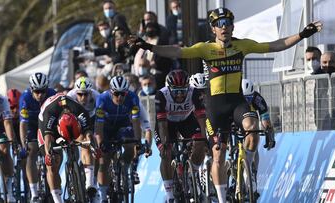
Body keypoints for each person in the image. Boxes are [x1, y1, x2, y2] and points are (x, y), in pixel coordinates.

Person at [128, 7, 322, 202]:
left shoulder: (242, 45)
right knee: (218, 155)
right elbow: (176, 51)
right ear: (213, 29)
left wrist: (302, 34)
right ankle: (221, 198)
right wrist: (148, 46)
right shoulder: (206, 48)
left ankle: (246, 173)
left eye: (228, 24)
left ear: (232, 27)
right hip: (215, 106)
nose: (224, 28)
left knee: (252, 130)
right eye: (220, 24)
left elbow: (274, 45)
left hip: (237, 102)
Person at [95, 76, 150, 202]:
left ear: (127, 92)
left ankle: (125, 169)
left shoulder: (132, 98)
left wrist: (137, 142)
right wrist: (100, 143)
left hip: (123, 126)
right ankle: (103, 197)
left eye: (123, 94)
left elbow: (136, 122)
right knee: (104, 161)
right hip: (106, 128)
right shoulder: (102, 99)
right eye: (116, 94)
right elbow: (98, 126)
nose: (120, 97)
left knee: (130, 146)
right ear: (111, 92)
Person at [154, 70, 206, 202]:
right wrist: (165, 143)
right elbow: (162, 125)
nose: (180, 95)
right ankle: (169, 193)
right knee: (165, 153)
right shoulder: (161, 95)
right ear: (169, 89)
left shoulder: (194, 92)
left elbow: (201, 116)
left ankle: (192, 173)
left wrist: (204, 137)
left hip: (186, 121)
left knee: (200, 142)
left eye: (183, 90)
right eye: (176, 91)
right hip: (167, 123)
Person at [37, 93, 95, 203]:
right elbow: (48, 138)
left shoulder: (80, 111)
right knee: (53, 164)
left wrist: (93, 147)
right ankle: (57, 199)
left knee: (83, 141)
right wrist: (49, 155)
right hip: (49, 129)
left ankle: (88, 183)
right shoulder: (49, 114)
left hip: (70, 124)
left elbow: (89, 134)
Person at [19, 72, 56, 202]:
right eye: (37, 91)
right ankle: (34, 192)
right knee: (31, 150)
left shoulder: (52, 94)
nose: (40, 95)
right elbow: (23, 124)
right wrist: (24, 144)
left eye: (43, 91)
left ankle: (54, 188)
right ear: (31, 89)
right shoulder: (25, 98)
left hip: (47, 125)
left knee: (52, 150)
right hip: (32, 126)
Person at [67, 77, 100, 197]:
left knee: (94, 144)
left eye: (86, 94)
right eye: (80, 94)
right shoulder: (70, 97)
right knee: (82, 141)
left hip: (92, 120)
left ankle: (92, 182)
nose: (83, 98)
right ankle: (75, 167)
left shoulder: (97, 96)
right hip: (76, 120)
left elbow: (101, 119)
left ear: (90, 93)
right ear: (76, 93)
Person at [0, 83, 16, 202]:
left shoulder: (2, 100)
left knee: (4, 148)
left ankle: (8, 188)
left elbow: (7, 123)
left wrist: (11, 141)